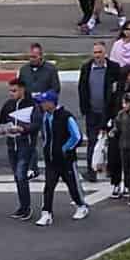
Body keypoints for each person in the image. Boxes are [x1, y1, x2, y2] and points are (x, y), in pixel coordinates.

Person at [34, 90, 89, 224]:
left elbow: (77, 137)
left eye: (43, 102)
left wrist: (64, 149)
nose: (40, 105)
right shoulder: (46, 116)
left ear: (51, 103)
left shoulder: (66, 116)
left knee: (72, 185)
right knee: (48, 187)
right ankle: (46, 213)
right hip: (51, 159)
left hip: (66, 160)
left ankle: (81, 206)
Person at [76, 42, 122, 181]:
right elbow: (82, 88)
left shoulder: (114, 68)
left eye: (99, 52)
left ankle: (111, 170)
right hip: (92, 112)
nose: (97, 55)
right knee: (92, 141)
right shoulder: (86, 68)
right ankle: (92, 171)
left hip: (109, 113)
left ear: (105, 53)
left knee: (112, 143)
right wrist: (85, 109)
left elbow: (118, 90)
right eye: (95, 52)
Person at [0, 78, 38, 221]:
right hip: (11, 145)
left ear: (22, 89)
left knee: (21, 176)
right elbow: (0, 124)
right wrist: (4, 130)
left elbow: (36, 124)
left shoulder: (32, 104)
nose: (11, 93)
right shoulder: (8, 105)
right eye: (10, 90)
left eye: (14, 91)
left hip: (25, 145)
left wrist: (23, 129)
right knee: (17, 177)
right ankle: (23, 206)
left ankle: (25, 208)